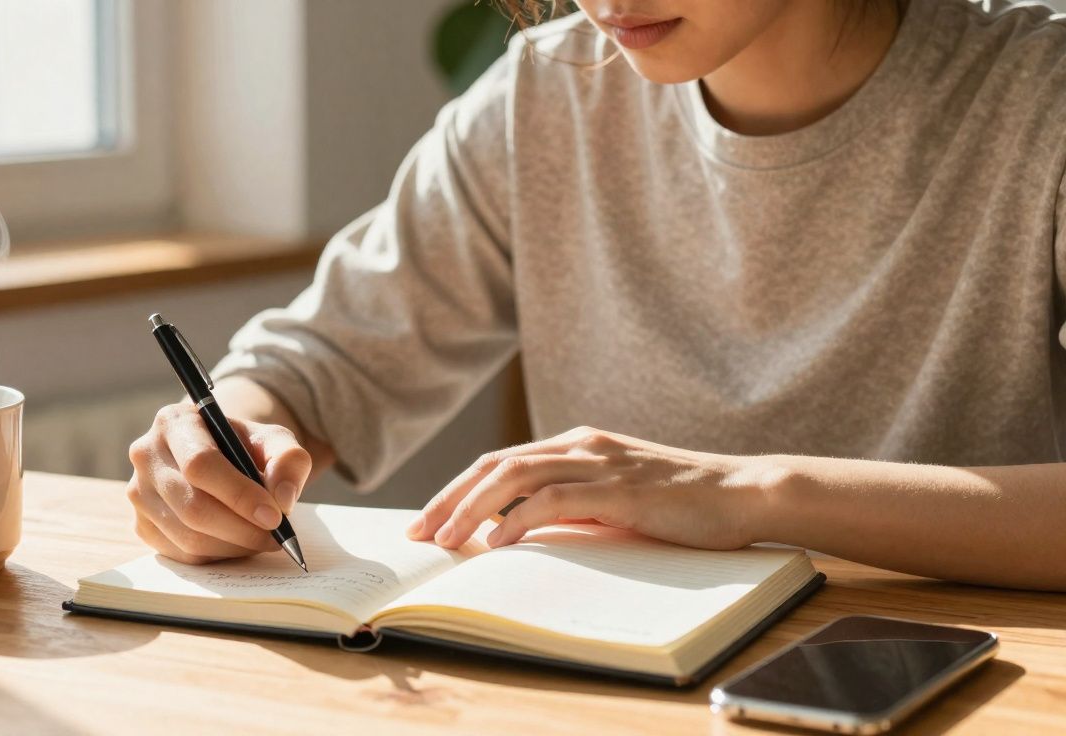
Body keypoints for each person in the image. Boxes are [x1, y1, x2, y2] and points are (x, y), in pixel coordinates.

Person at [126, 0, 1066, 591]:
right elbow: (315, 370)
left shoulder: (1039, 96)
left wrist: (750, 492)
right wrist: (221, 446)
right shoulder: (551, 93)